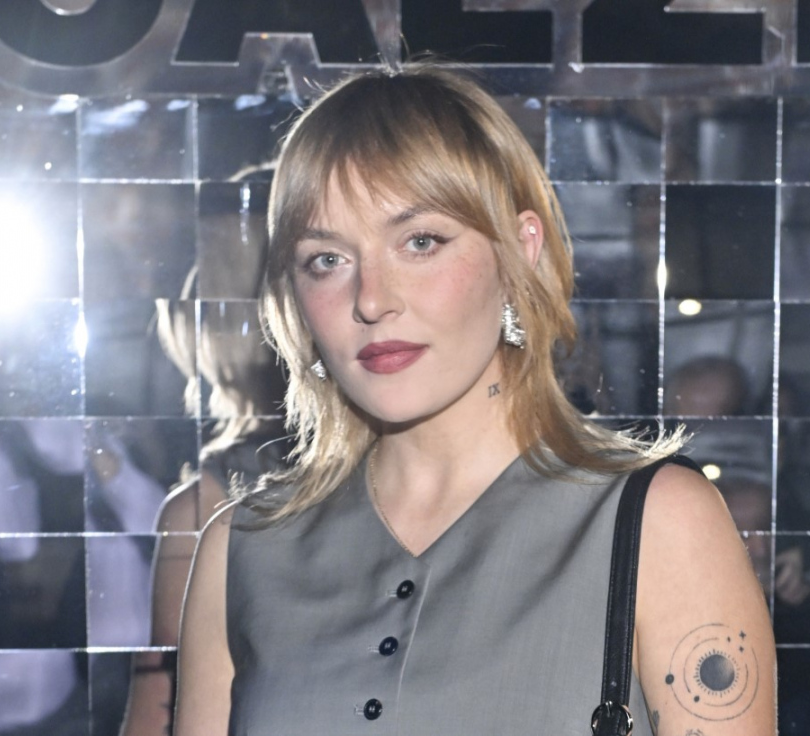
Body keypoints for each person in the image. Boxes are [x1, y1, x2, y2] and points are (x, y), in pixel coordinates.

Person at [174, 65, 775, 736]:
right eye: (327, 259)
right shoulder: (243, 549)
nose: (371, 299)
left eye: (420, 242)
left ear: (518, 254)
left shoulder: (658, 522)